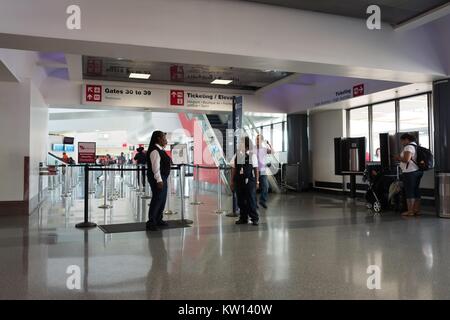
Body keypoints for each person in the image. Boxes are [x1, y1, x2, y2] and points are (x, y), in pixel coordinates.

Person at [230, 136, 260, 226]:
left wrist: (257, 182)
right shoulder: (237, 155)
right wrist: (232, 181)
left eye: (242, 143)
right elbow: (233, 168)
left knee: (251, 200)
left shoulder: (252, 155)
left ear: (247, 145)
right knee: (240, 200)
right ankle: (243, 218)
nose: (240, 145)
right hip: (239, 181)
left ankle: (254, 218)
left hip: (249, 181)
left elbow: (256, 169)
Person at [146, 131, 171, 231]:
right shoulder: (155, 151)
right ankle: (151, 222)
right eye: (164, 138)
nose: (166, 140)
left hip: (162, 177)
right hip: (158, 178)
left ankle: (158, 219)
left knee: (162, 199)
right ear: (158, 139)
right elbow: (155, 167)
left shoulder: (160, 150)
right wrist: (159, 180)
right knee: (157, 199)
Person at [395, 133, 423, 217]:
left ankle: (410, 211)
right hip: (418, 171)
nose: (402, 143)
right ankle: (416, 210)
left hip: (410, 172)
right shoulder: (416, 146)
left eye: (402, 141)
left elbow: (406, 159)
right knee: (416, 190)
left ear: (407, 139)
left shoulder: (408, 147)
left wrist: (398, 158)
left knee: (409, 191)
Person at [255, 134, 272, 209]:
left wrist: (268, 144)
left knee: (266, 187)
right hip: (255, 171)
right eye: (257, 139)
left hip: (263, 171)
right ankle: (254, 203)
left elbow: (271, 151)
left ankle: (262, 201)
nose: (257, 141)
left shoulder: (264, 149)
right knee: (254, 188)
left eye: (259, 139)